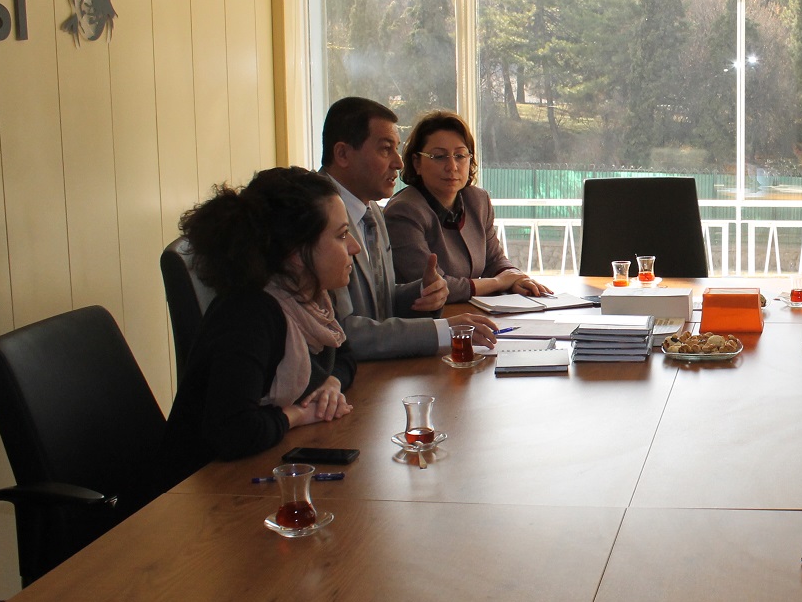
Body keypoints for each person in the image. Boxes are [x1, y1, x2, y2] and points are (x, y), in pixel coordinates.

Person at [167, 167, 359, 463]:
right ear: (296, 252)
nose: (354, 247)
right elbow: (232, 431)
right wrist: (295, 415)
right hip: (198, 486)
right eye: (342, 235)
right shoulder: (250, 314)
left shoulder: (309, 298)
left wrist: (330, 384)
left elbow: (344, 354)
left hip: (257, 463)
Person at [320, 97, 497, 359]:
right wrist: (442, 331)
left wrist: (422, 293)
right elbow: (340, 331)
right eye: (385, 149)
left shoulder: (372, 212)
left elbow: (380, 306)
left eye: (396, 149)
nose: (398, 163)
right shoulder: (315, 216)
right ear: (343, 154)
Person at [384, 110, 549, 303]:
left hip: (470, 316)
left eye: (460, 155)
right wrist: (498, 282)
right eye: (439, 156)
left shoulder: (477, 200)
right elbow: (434, 287)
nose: (452, 166)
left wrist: (516, 278)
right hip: (428, 324)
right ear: (417, 162)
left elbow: (494, 260)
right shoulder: (403, 212)